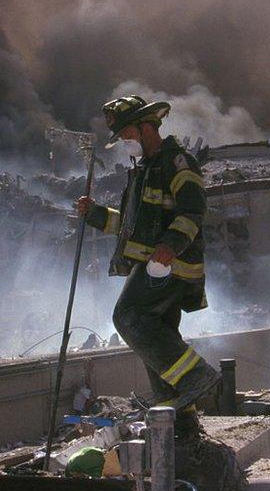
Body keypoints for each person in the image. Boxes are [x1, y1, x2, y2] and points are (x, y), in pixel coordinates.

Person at [76, 95, 220, 436]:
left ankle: (196, 376)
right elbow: (130, 227)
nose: (125, 142)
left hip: (170, 266)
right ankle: (180, 421)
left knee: (127, 317)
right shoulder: (143, 172)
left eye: (127, 133)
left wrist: (169, 248)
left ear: (146, 127)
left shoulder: (178, 163)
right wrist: (95, 215)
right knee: (158, 341)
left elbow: (192, 212)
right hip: (156, 264)